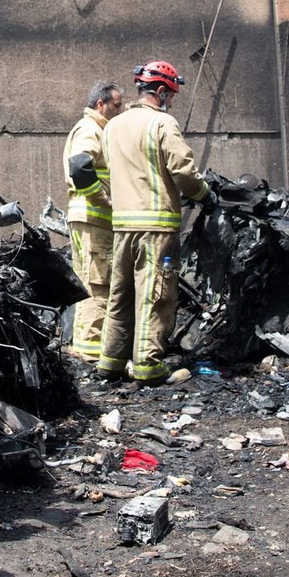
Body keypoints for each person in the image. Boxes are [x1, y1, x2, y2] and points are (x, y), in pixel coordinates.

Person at [95, 60, 212, 387]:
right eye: (171, 95)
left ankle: (111, 362)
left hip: (122, 227)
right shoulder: (162, 124)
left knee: (121, 294)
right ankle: (149, 367)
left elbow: (104, 174)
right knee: (156, 295)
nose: (172, 101)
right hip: (157, 230)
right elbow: (184, 171)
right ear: (160, 92)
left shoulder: (113, 126)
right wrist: (204, 194)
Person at [62, 79, 124, 359]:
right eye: (117, 105)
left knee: (89, 279)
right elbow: (80, 166)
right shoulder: (90, 129)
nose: (120, 111)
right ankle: (91, 350)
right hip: (93, 217)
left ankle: (85, 345)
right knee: (98, 284)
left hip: (85, 218)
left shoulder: (94, 129)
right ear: (101, 105)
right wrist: (104, 200)